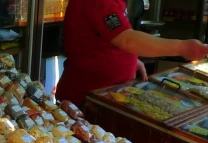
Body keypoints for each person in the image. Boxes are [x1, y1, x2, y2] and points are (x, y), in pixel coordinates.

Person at [57, 0, 208, 106]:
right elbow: (127, 39)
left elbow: (107, 36)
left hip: (108, 94)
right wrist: (182, 48)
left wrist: (129, 59)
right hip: (86, 99)